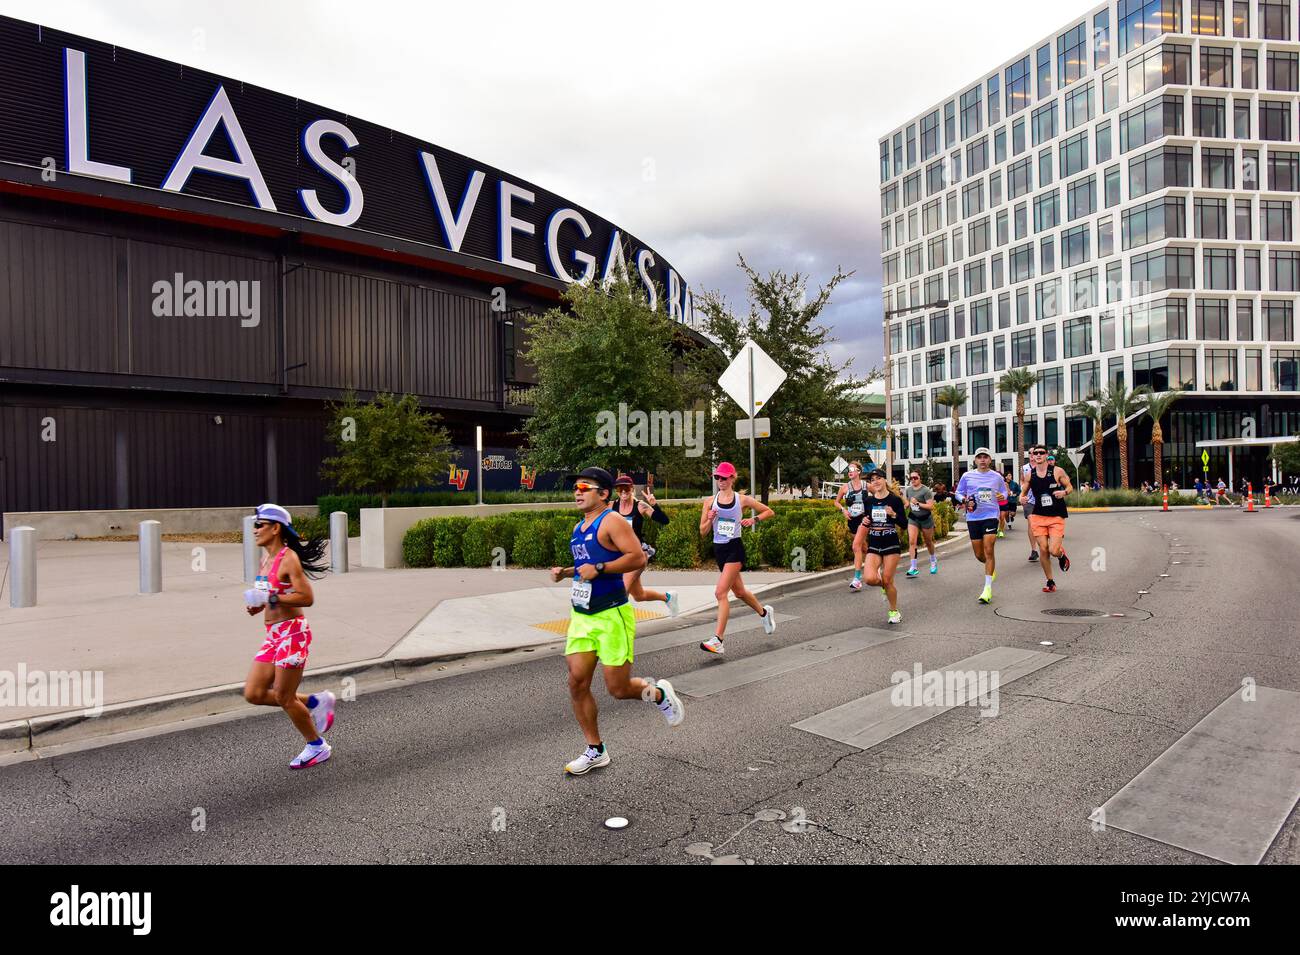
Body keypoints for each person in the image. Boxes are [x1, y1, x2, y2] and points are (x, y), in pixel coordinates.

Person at [551, 467, 684, 776]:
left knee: (618, 689)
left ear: (603, 494)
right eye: (575, 487)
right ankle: (596, 749)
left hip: (612, 615)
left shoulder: (611, 521)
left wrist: (599, 566)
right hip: (582, 616)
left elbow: (637, 557)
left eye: (584, 486)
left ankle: (660, 693)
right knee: (576, 682)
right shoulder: (577, 527)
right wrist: (567, 572)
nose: (578, 491)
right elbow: (585, 565)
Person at [242, 504, 336, 770]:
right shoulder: (266, 559)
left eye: (260, 525)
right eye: (255, 525)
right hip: (273, 634)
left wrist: (271, 597)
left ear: (276, 528)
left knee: (284, 696)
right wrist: (258, 606)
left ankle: (317, 747)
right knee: (254, 693)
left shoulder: (288, 558)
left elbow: (307, 597)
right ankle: (317, 701)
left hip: (293, 633)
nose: (255, 530)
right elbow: (272, 596)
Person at [698, 462, 776, 654]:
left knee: (720, 593)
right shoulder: (709, 502)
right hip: (719, 550)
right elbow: (702, 532)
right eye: (717, 477)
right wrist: (709, 518)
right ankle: (764, 613)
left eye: (724, 478)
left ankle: (718, 640)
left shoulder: (742, 500)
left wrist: (753, 519)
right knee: (740, 592)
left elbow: (769, 511)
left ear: (732, 478)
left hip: (735, 549)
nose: (720, 481)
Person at [612, 474, 678, 616]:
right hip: (619, 556)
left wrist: (654, 504)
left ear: (632, 489)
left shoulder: (640, 506)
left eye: (626, 489)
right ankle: (668, 598)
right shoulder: (612, 506)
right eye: (619, 489)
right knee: (639, 595)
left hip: (637, 554)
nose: (623, 492)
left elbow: (664, 520)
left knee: (621, 592)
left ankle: (621, 629)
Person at [954, 448, 1008, 604]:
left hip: (991, 515)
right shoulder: (967, 475)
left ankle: (987, 588)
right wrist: (964, 500)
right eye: (980, 457)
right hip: (973, 517)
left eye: (985, 457)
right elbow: (958, 493)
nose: (983, 460)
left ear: (990, 460)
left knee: (989, 548)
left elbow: (1004, 493)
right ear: (975, 460)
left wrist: (1001, 496)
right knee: (979, 555)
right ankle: (990, 569)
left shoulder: (996, 477)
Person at [859, 468, 908, 623]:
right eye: (872, 480)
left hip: (890, 543)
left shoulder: (894, 500)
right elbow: (867, 519)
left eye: (878, 478)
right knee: (869, 579)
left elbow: (904, 524)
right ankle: (884, 586)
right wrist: (865, 521)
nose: (875, 482)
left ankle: (894, 612)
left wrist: (893, 514)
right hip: (874, 543)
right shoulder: (869, 501)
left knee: (888, 579)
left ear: (884, 480)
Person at [1026, 444, 1074, 593]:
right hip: (1038, 516)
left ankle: (1061, 555)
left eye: (1041, 453)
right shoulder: (1030, 475)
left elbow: (1070, 486)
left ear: (1046, 455)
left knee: (1053, 550)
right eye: (1036, 453)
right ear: (1033, 456)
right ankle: (1050, 581)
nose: (1038, 455)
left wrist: (1064, 492)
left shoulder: (1057, 471)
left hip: (1056, 516)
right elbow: (1024, 491)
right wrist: (1021, 497)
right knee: (1043, 549)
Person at [836, 461, 870, 591]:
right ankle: (875, 567)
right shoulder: (845, 487)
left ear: (859, 472)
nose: (849, 471)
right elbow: (836, 502)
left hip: (864, 519)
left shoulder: (866, 485)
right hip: (852, 520)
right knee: (863, 547)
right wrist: (843, 510)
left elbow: (879, 493)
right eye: (848, 470)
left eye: (852, 469)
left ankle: (857, 579)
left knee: (856, 547)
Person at [903, 470, 938, 577]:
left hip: (925, 519)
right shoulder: (908, 490)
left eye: (915, 478)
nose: (913, 480)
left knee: (928, 542)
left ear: (920, 478)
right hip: (913, 518)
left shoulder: (926, 490)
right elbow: (908, 503)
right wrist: (904, 505)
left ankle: (933, 560)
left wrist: (918, 503)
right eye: (911, 478)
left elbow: (930, 506)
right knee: (912, 541)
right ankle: (913, 567)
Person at [1022, 460, 1039, 562]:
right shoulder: (1024, 468)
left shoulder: (1045, 467)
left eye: (1037, 452)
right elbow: (1022, 481)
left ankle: (1045, 546)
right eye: (1032, 453)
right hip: (1029, 500)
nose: (1034, 455)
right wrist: (1022, 494)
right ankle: (1034, 550)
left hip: (1042, 500)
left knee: (1042, 524)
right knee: (1031, 524)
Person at [998, 470, 1021, 538]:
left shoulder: (1011, 484)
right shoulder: (992, 484)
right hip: (1001, 502)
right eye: (1009, 475)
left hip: (1011, 500)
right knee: (1003, 515)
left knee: (1011, 514)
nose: (1010, 476)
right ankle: (1002, 528)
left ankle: (1002, 529)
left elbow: (1018, 491)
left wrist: (1013, 494)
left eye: (1010, 475)